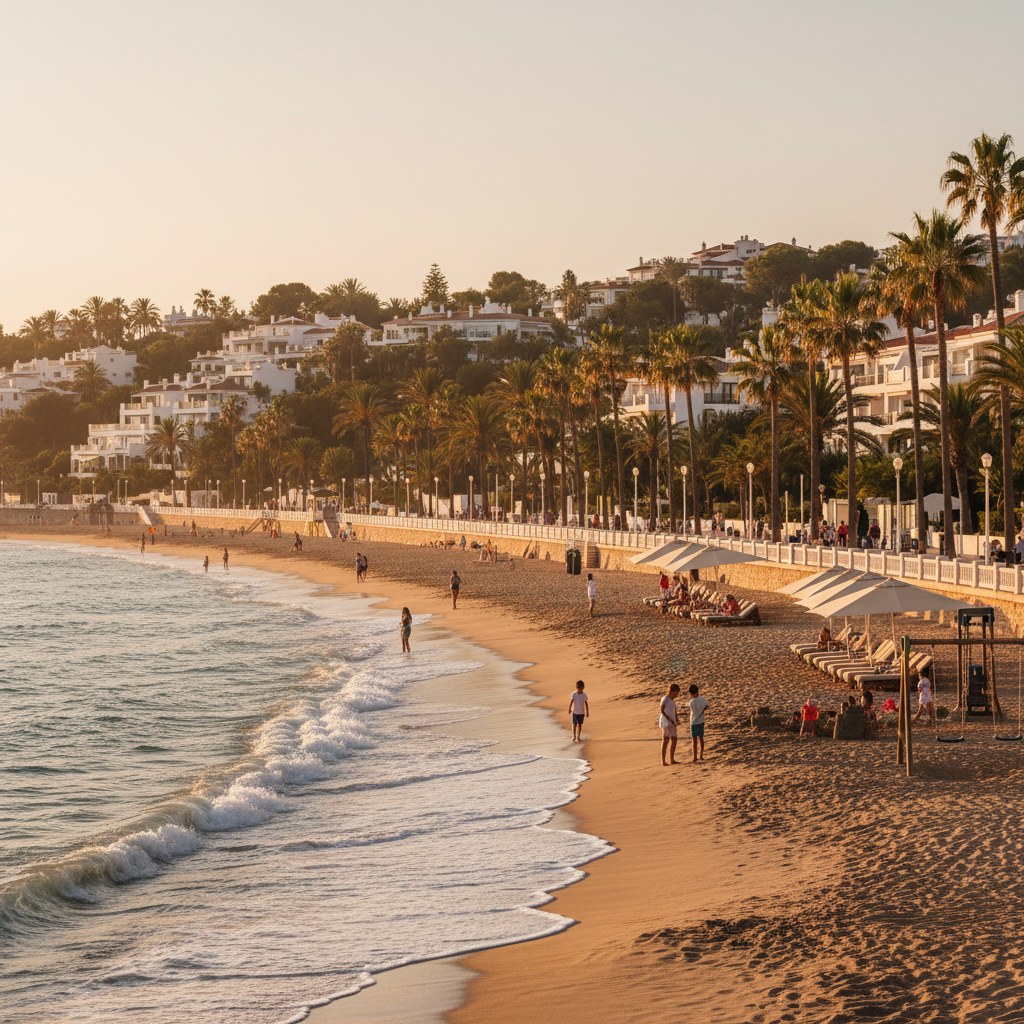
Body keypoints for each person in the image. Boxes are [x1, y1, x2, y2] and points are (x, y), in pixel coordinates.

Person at [659, 684, 680, 766]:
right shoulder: (665, 699)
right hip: (666, 722)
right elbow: (662, 710)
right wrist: (669, 719)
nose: (677, 695)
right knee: (665, 741)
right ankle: (663, 761)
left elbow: (674, 710)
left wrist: (676, 719)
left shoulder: (672, 700)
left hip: (672, 722)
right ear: (671, 692)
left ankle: (672, 759)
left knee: (674, 740)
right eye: (676, 693)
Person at [687, 684, 708, 762]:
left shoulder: (691, 702)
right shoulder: (703, 699)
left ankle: (695, 757)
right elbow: (706, 706)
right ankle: (701, 755)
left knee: (694, 740)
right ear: (698, 691)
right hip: (701, 721)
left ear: (691, 694)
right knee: (701, 738)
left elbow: (692, 709)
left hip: (693, 722)